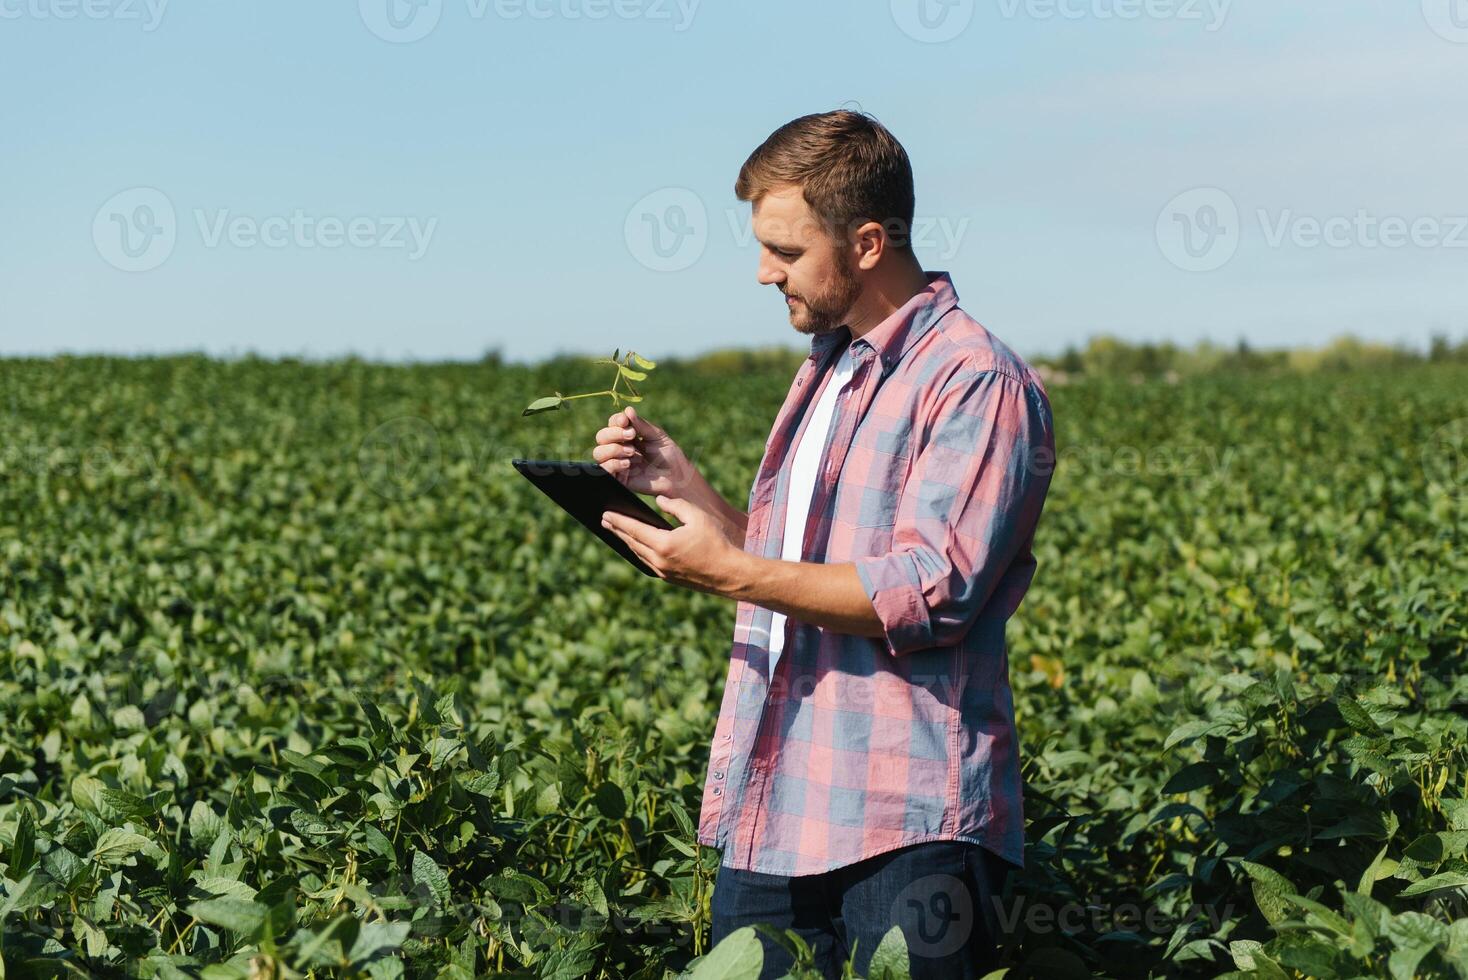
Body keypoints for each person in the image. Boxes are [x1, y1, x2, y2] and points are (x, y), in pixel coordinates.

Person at [593, 109, 1056, 979]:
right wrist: (684, 490)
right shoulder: (832, 366)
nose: (765, 273)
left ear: (869, 242)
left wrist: (730, 570)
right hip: (778, 807)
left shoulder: (975, 381)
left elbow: (930, 590)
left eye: (787, 250)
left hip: (908, 822)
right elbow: (797, 570)